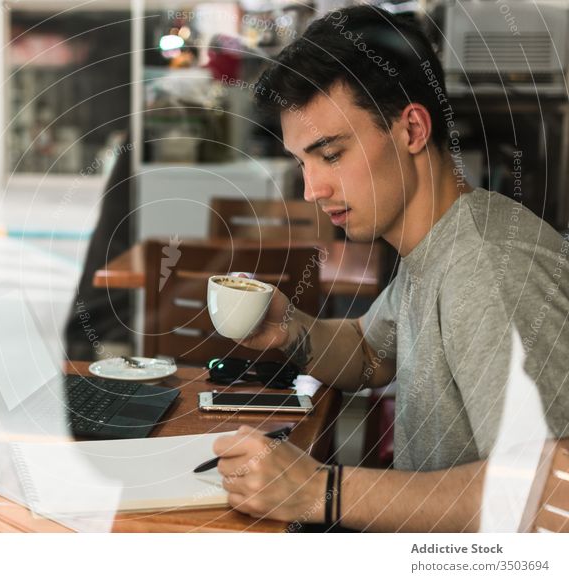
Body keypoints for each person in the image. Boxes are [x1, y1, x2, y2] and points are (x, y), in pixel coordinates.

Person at [213, 5, 569, 532]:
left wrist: (322, 491)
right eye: (302, 163)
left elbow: (557, 497)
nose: (313, 190)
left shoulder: (488, 266)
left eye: (330, 154)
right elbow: (372, 352)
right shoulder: (436, 244)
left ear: (412, 129)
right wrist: (290, 330)